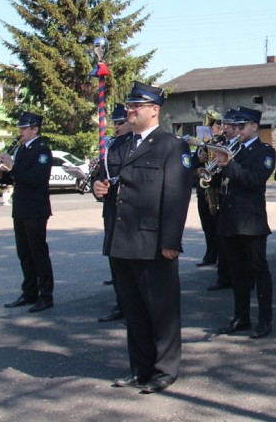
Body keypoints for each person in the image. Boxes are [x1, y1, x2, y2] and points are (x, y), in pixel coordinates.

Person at [94, 81, 193, 394]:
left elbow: (177, 197)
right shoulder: (119, 145)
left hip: (153, 242)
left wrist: (170, 242)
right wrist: (100, 190)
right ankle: (140, 368)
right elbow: (109, 182)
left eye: (137, 106)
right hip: (121, 240)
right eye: (129, 106)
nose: (130, 111)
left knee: (161, 310)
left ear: (155, 110)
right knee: (134, 310)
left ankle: (165, 370)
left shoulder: (171, 146)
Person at [214, 106, 276, 340]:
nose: (236, 130)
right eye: (235, 126)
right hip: (229, 220)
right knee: (237, 273)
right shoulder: (233, 149)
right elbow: (218, 181)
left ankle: (265, 319)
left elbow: (254, 180)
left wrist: (228, 164)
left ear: (254, 127)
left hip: (251, 221)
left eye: (241, 126)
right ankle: (241, 317)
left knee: (259, 272)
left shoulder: (264, 151)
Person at [0, 111, 55, 313]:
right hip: (21, 208)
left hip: (36, 209)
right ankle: (29, 292)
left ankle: (46, 295)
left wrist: (12, 166)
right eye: (20, 128)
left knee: (38, 253)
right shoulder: (21, 150)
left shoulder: (42, 150)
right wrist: (2, 174)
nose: (20, 132)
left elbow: (35, 179)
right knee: (24, 253)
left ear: (35, 129)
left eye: (23, 128)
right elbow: (15, 179)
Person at [97, 103, 132, 323]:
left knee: (132, 265)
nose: (116, 126)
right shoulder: (111, 146)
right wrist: (96, 187)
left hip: (131, 214)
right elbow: (102, 175)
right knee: (116, 263)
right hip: (112, 211)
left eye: (120, 122)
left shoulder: (139, 144)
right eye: (115, 122)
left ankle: (134, 307)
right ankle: (121, 304)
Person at [205, 109, 239, 292]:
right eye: (223, 125)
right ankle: (223, 277)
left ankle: (240, 279)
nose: (224, 128)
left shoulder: (239, 147)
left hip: (237, 201)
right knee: (222, 238)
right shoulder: (220, 143)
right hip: (221, 196)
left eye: (228, 125)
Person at [193, 113, 223, 269]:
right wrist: (199, 160)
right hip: (202, 190)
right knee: (206, 225)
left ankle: (220, 255)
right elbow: (192, 169)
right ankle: (210, 254)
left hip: (215, 190)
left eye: (212, 127)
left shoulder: (220, 143)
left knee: (217, 225)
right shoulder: (201, 146)